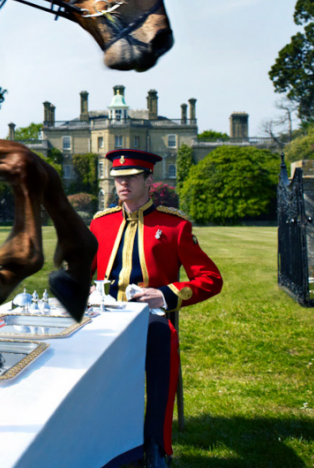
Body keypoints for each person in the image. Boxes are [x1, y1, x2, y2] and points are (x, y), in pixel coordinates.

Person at [90, 149, 223, 468]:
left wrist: (164, 295)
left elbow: (210, 278)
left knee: (160, 341)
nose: (122, 184)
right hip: (103, 317)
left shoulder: (174, 226)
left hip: (150, 319)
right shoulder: (100, 225)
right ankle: (102, 436)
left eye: (131, 177)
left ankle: (154, 445)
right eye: (118, 178)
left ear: (149, 180)